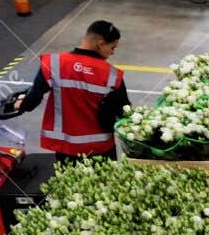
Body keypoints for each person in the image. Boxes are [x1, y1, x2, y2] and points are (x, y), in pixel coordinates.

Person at [16, 20, 129, 158]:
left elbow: (33, 99)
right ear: (100, 44)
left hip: (66, 148)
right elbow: (124, 112)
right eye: (112, 47)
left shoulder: (54, 64)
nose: (113, 53)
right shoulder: (112, 75)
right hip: (100, 148)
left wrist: (21, 104)